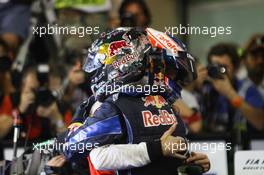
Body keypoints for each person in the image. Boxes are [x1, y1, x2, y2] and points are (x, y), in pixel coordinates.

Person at [64, 27, 210, 175]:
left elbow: (165, 152)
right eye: (167, 71)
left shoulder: (167, 106)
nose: (173, 80)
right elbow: (81, 151)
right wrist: (157, 148)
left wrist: (189, 161)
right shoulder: (114, 106)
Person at [198, 43, 264, 136]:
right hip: (207, 143)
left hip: (238, 142)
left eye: (223, 68)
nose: (218, 71)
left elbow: (260, 123)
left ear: (236, 68)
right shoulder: (204, 86)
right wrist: (194, 85)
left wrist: (230, 94)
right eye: (214, 66)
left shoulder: (246, 88)